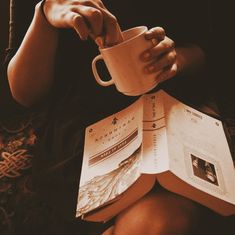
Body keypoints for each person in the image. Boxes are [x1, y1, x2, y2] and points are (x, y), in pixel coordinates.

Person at [1, 0, 229, 234]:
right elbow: (25, 94)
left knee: (161, 218)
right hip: (81, 126)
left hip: (175, 102)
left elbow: (213, 50)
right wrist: (44, 16)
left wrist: (176, 59)